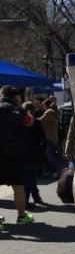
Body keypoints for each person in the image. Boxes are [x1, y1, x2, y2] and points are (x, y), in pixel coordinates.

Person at [0, 85, 34, 229]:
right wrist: (19, 105)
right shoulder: (19, 111)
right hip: (16, 155)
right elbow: (30, 122)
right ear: (15, 97)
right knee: (19, 187)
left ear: (1, 95)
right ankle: (21, 216)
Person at [22, 101, 47, 209]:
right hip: (36, 153)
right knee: (31, 178)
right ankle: (32, 199)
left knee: (29, 178)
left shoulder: (21, 123)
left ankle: (31, 199)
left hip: (24, 154)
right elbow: (43, 138)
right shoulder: (37, 123)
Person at [39, 98, 60, 178]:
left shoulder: (49, 112)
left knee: (50, 155)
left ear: (46, 105)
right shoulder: (53, 112)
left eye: (43, 105)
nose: (42, 106)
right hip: (53, 136)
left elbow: (41, 120)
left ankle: (54, 171)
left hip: (49, 137)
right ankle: (51, 171)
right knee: (50, 155)